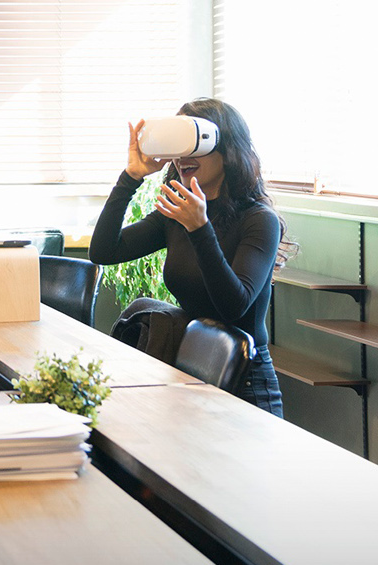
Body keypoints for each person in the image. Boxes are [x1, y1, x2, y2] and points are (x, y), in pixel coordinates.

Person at [90, 98, 296, 416]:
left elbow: (233, 306)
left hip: (246, 385)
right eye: (179, 147)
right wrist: (131, 177)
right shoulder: (177, 214)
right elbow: (104, 251)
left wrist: (200, 229)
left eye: (195, 145)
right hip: (191, 371)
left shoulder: (258, 220)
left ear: (227, 149)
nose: (183, 158)